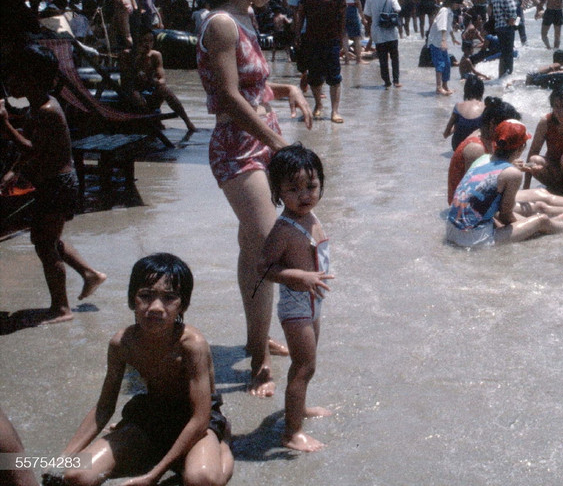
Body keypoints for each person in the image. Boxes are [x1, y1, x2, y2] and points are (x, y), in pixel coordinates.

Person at [195, 0, 313, 396]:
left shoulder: (247, 17)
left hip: (260, 141)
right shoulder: (222, 23)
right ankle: (260, 360)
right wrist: (280, 145)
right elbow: (226, 96)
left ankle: (255, 339)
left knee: (252, 247)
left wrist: (287, 90)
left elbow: (253, 85)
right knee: (272, 244)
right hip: (237, 148)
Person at [53, 254, 233, 486]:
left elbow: (199, 418)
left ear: (183, 306)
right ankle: (155, 447)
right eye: (145, 296)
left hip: (197, 421)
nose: (156, 308)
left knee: (201, 479)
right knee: (76, 476)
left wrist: (154, 475)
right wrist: (65, 457)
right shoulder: (122, 343)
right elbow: (104, 406)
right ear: (131, 300)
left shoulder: (192, 345)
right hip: (152, 415)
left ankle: (224, 443)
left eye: (169, 298)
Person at [0, 45, 106, 324]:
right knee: (47, 239)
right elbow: (34, 151)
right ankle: (89, 274)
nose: (9, 81)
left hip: (58, 185)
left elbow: (32, 148)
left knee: (45, 245)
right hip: (52, 183)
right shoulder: (38, 107)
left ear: (32, 79)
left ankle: (61, 308)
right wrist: (15, 172)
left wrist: (6, 126)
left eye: (15, 77)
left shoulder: (47, 110)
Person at [260, 145, 334, 452]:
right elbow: (263, 269)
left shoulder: (309, 215)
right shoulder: (284, 229)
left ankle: (299, 408)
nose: (305, 195)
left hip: (313, 302)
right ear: (277, 192)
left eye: (312, 186)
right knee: (303, 366)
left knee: (309, 363)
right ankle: (291, 433)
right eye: (293, 189)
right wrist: (299, 277)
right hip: (295, 304)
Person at [446, 121, 563, 247]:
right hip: (473, 239)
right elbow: (505, 216)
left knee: (535, 216)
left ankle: (556, 221)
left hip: (451, 229)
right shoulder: (512, 174)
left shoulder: (482, 160)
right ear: (522, 147)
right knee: (541, 220)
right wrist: (534, 225)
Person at [295, 0, 347, 122]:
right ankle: (318, 104)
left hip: (331, 40)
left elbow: (342, 18)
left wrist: (342, 42)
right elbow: (301, 13)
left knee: (334, 77)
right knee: (315, 77)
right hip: (311, 40)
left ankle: (335, 111)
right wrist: (296, 35)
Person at [118, 30, 198, 134]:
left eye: (151, 41)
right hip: (132, 88)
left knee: (165, 90)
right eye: (144, 41)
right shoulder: (126, 54)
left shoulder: (155, 56)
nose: (148, 44)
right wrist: (138, 58)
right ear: (137, 41)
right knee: (135, 94)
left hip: (149, 86)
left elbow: (162, 78)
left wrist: (157, 82)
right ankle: (152, 121)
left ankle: (188, 123)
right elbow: (125, 77)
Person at [362, 0, 402, 88]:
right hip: (391, 31)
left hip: (377, 31)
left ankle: (387, 82)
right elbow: (398, 9)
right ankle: (396, 81)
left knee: (382, 58)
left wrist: (369, 34)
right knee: (394, 57)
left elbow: (367, 15)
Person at [487, 0, 521, 78]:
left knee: (504, 54)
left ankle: (501, 77)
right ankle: (507, 78)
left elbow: (489, 2)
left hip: (498, 26)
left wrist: (496, 16)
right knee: (509, 55)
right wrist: (515, 23)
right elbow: (512, 14)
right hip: (507, 27)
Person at [428, 0, 459, 96]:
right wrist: (443, 40)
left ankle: (445, 85)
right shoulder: (444, 10)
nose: (458, 6)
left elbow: (448, 26)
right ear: (453, 2)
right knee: (440, 64)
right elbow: (442, 25)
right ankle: (438, 87)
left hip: (441, 41)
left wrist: (453, 38)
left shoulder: (450, 12)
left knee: (447, 63)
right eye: (457, 3)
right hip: (436, 41)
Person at [443, 74, 486, 151]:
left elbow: (446, 134)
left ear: (466, 90)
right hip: (477, 146)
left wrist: (456, 127)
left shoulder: (458, 106)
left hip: (458, 146)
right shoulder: (485, 107)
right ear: (481, 91)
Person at [340, 0, 365, 64]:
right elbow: (357, 0)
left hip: (341, 9)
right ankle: (358, 59)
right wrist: (362, 16)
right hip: (352, 9)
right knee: (356, 36)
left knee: (344, 35)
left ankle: (346, 58)